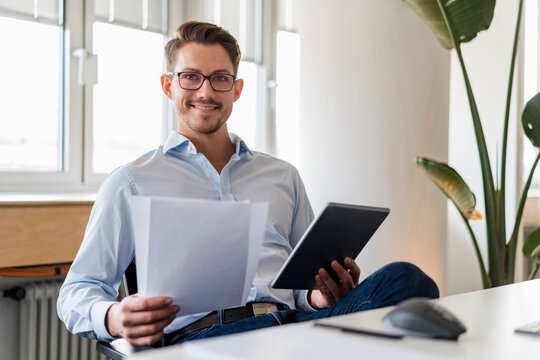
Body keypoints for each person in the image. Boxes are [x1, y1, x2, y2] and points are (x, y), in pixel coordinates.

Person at [57, 21, 439, 348]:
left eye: (220, 79)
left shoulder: (282, 176)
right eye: (190, 77)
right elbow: (77, 292)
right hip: (206, 339)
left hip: (296, 329)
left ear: (236, 90)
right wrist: (113, 317)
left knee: (407, 279)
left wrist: (321, 295)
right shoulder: (130, 181)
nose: (205, 92)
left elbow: (303, 286)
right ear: (168, 86)